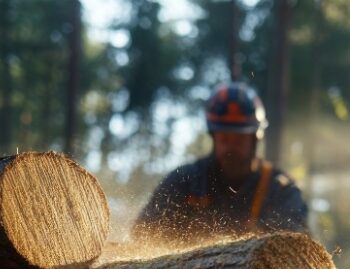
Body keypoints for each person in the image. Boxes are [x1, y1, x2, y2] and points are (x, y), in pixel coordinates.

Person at [133, 82, 311, 242]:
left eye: (239, 139)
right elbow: (143, 234)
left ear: (255, 139)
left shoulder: (280, 190)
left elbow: (296, 243)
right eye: (225, 138)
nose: (231, 147)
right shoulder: (185, 182)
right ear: (213, 136)